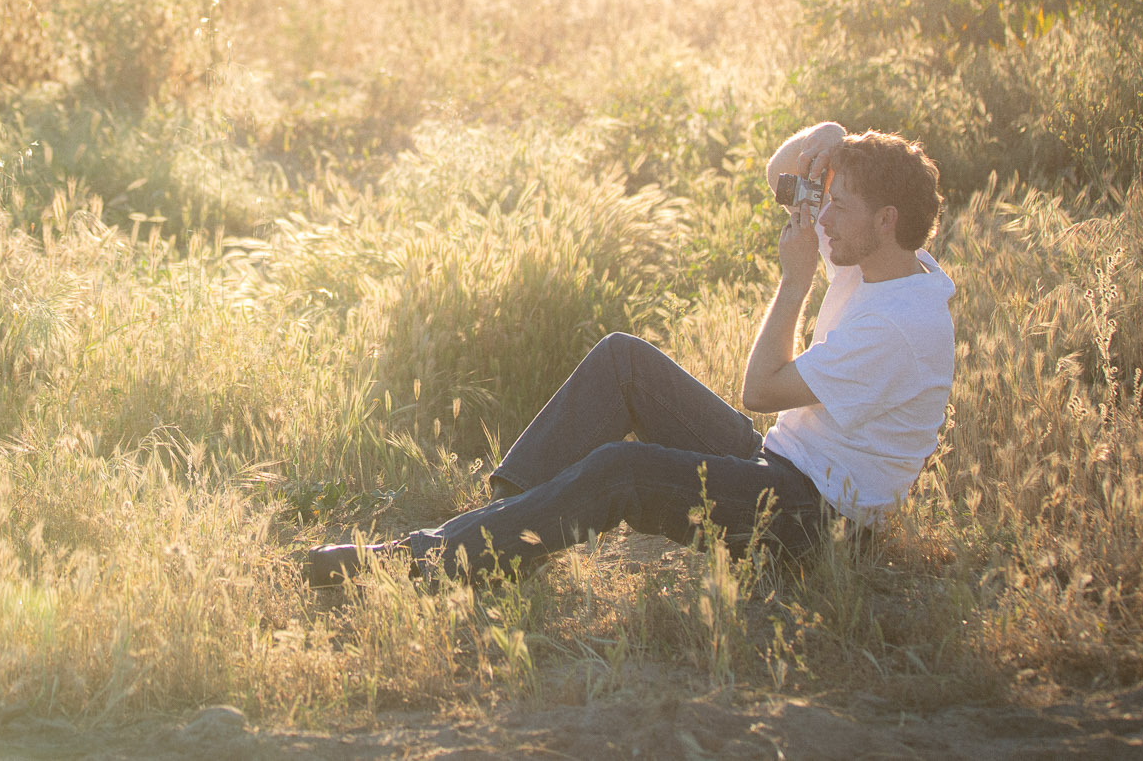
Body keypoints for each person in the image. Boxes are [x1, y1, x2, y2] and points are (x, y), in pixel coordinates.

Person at [307, 123, 955, 584]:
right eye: (829, 204)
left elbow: (759, 390)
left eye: (837, 208)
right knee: (625, 359)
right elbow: (776, 175)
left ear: (886, 218)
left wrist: (794, 281)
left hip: (817, 523)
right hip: (786, 464)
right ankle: (503, 518)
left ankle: (426, 559)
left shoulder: (895, 327)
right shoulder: (884, 255)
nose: (824, 219)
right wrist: (827, 132)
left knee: (626, 471)